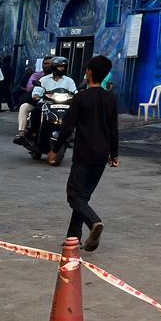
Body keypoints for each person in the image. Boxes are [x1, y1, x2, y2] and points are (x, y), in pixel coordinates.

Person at [48, 55, 119, 253]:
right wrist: (114, 154)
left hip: (84, 154)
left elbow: (67, 126)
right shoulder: (110, 98)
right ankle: (73, 236)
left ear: (89, 72)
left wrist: (54, 150)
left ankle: (94, 222)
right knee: (83, 196)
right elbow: (114, 129)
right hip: (102, 155)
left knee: (74, 196)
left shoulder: (81, 97)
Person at [16, 57, 77, 145]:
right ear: (54, 67)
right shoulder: (44, 79)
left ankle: (71, 134)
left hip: (63, 105)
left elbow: (74, 91)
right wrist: (36, 95)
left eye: (63, 66)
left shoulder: (69, 81)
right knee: (34, 111)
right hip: (46, 104)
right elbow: (37, 91)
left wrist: (77, 96)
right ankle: (30, 133)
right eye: (60, 66)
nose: (62, 68)